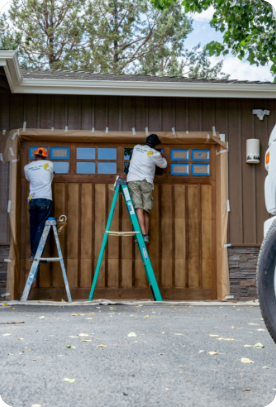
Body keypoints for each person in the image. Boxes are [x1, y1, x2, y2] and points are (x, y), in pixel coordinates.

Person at [127, 134, 167, 243]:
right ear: (155, 145)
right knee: (145, 209)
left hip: (133, 180)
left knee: (138, 207)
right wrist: (161, 155)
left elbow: (142, 153)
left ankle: (142, 234)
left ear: (146, 141)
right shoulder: (154, 153)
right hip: (146, 181)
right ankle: (145, 235)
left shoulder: (136, 147)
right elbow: (163, 165)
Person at [24, 148, 54, 261]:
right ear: (45, 156)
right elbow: (50, 176)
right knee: (41, 227)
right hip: (44, 199)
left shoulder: (27, 167)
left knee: (34, 227)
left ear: (35, 156)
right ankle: (37, 254)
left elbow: (28, 178)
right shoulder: (49, 164)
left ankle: (33, 253)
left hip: (33, 200)